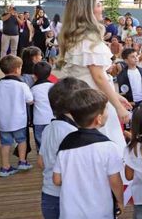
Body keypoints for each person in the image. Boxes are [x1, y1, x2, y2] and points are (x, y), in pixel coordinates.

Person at [58, 0, 132, 151]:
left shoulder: (77, 37)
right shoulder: (89, 40)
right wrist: (118, 107)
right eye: (98, 5)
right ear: (87, 11)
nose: (101, 8)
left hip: (85, 100)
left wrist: (117, 97)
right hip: (95, 103)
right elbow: (97, 77)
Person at [53, 88, 125, 219]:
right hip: (100, 211)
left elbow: (57, 180)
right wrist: (120, 201)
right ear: (98, 119)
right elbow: (115, 181)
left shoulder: (66, 144)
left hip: (70, 212)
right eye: (106, 109)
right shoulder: (108, 147)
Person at [38, 77, 90, 219]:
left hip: (48, 194)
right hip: (68, 197)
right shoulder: (73, 133)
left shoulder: (49, 128)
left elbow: (41, 162)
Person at [0, 55, 34, 176]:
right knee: (22, 140)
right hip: (19, 121)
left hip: (3, 122)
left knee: (5, 144)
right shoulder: (22, 85)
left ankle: (5, 167)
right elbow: (30, 100)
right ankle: (22, 161)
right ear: (16, 70)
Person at [32, 61, 55, 150]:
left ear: (35, 75)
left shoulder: (33, 88)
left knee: (40, 142)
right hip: (52, 118)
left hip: (39, 120)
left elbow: (30, 101)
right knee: (52, 140)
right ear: (49, 74)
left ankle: (42, 157)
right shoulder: (53, 87)